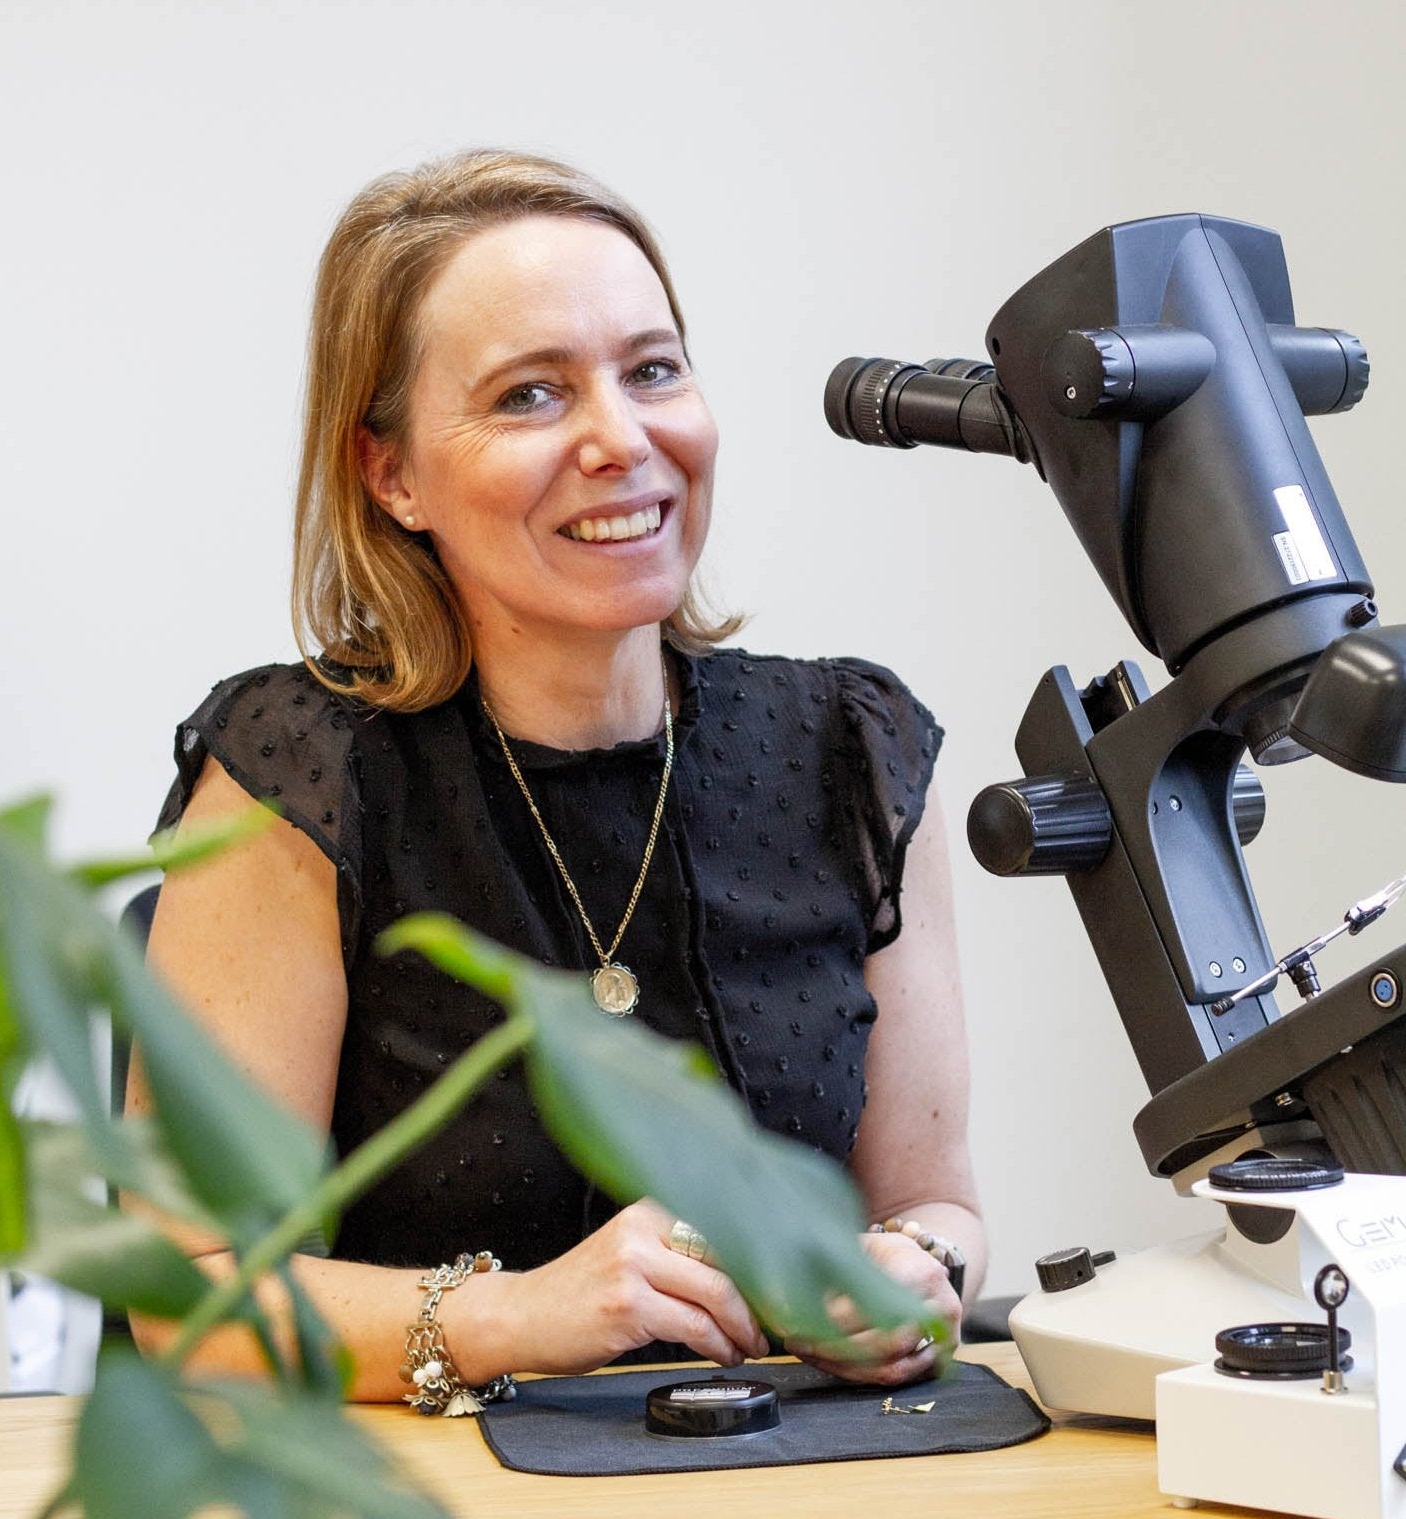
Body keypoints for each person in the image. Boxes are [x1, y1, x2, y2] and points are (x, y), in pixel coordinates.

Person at [128, 149, 984, 1407]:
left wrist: (911, 1273)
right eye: (531, 396)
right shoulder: (295, 778)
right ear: (393, 474)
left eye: (652, 371)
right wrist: (511, 1314)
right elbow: (186, 1292)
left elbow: (935, 1201)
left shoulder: (852, 751)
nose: (621, 439)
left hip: (792, 1501)